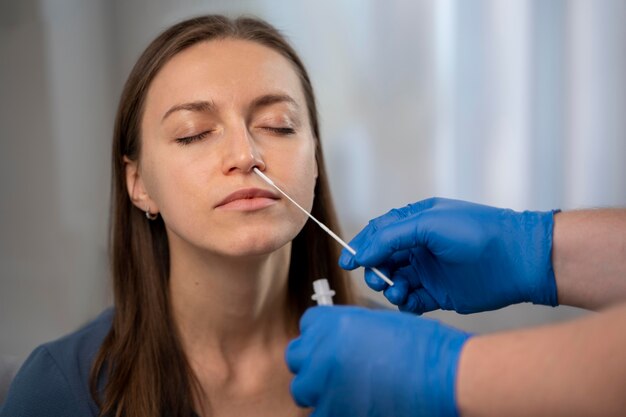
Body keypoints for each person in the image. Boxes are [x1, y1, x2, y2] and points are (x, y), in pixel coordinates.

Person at [0, 15, 357, 417]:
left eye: (279, 125)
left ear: (315, 161)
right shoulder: (57, 391)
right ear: (138, 184)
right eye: (194, 133)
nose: (245, 156)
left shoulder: (396, 361)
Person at [286, 197, 626, 417]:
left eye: (278, 126)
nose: (245, 157)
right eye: (226, 132)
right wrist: (534, 247)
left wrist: (448, 370)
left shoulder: (368, 342)